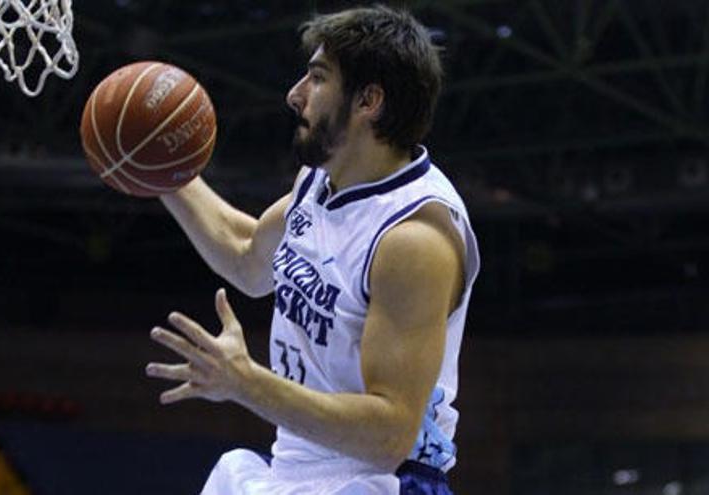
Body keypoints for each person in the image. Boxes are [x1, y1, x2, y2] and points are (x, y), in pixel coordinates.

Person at [145, 4, 479, 494]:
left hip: (380, 479)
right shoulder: (318, 184)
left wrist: (246, 383)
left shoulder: (412, 240)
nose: (294, 95)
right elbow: (246, 255)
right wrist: (161, 167)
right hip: (297, 467)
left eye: (318, 79)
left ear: (369, 101)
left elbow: (390, 434)